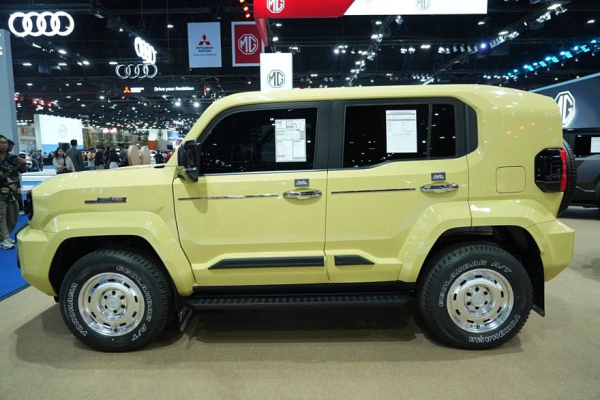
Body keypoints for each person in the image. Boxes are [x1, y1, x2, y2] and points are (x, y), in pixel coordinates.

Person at [0, 135, 27, 249]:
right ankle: (4, 238)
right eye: (1, 143)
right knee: (1, 216)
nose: (4, 145)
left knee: (13, 217)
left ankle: (4, 236)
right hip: (1, 193)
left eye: (5, 143)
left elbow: (23, 170)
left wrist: (23, 162)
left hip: (12, 192)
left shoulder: (11, 158)